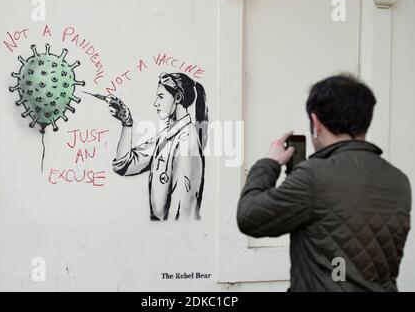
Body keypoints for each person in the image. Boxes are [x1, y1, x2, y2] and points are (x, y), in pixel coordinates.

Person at [237, 74, 411, 292]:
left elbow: (249, 217)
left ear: (316, 122)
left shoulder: (313, 176)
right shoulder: (398, 180)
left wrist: (269, 163)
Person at [109, 72, 208, 221]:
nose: (156, 103)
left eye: (161, 96)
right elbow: (123, 165)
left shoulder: (186, 143)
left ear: (178, 98)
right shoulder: (166, 137)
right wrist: (127, 123)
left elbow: (182, 216)